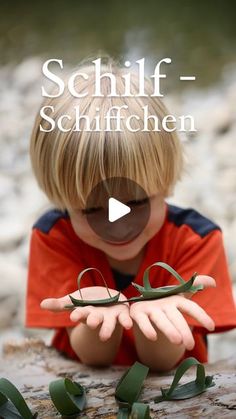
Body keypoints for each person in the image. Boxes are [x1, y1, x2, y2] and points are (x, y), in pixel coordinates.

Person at [25, 59, 236, 371]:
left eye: (136, 203)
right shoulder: (53, 236)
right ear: (62, 200)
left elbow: (163, 364)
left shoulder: (198, 239)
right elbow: (93, 358)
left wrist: (152, 318)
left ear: (164, 184)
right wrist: (96, 310)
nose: (117, 224)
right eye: (92, 209)